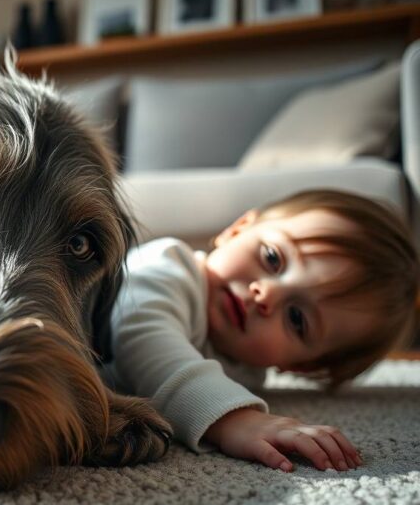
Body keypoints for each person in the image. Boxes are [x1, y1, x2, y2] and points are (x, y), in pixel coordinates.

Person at [105, 189, 419, 472]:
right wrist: (234, 419)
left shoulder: (246, 376)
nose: (266, 294)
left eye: (296, 319)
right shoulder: (167, 266)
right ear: (237, 229)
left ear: (300, 364)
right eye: (272, 258)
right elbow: (140, 336)